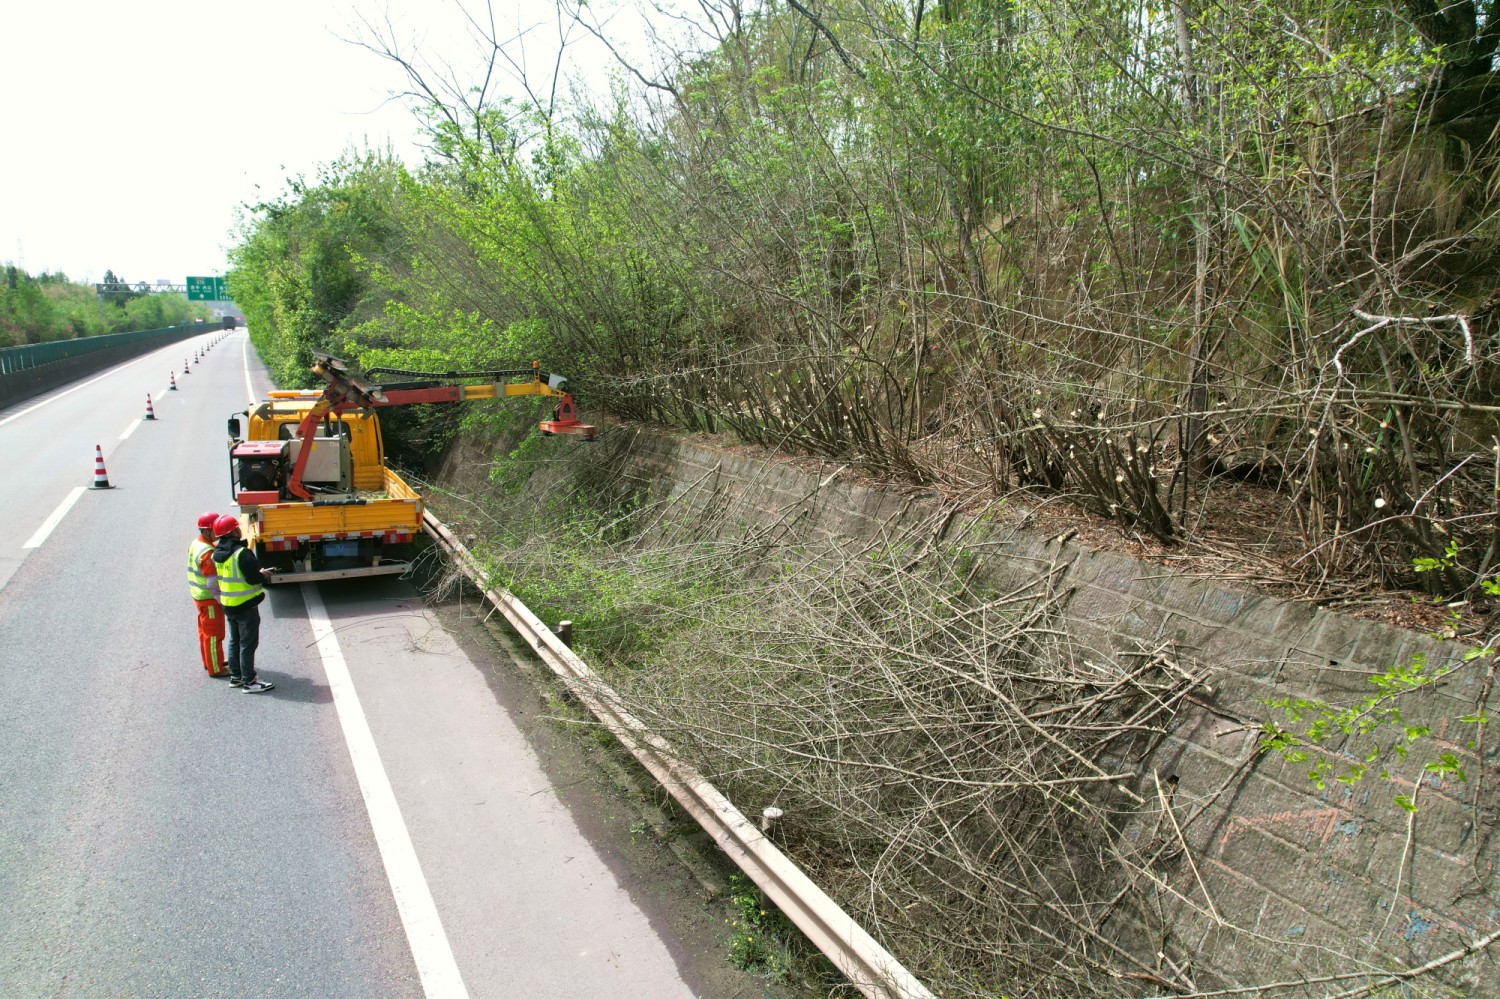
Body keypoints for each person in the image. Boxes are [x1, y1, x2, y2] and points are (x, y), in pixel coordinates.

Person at [211, 514, 277, 693]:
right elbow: (253, 578)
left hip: (228, 604)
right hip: (245, 605)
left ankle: (236, 677)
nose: (240, 530)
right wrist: (263, 574)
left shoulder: (217, 554)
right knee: (248, 643)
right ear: (233, 533)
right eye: (237, 528)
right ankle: (250, 681)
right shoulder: (242, 553)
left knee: (235, 641)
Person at [188, 511, 227, 677]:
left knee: (204, 632)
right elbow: (212, 583)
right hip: (209, 599)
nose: (218, 533)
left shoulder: (196, 543)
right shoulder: (207, 553)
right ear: (206, 531)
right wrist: (221, 601)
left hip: (199, 596)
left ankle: (209, 661)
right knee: (214, 634)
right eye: (215, 530)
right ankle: (216, 668)